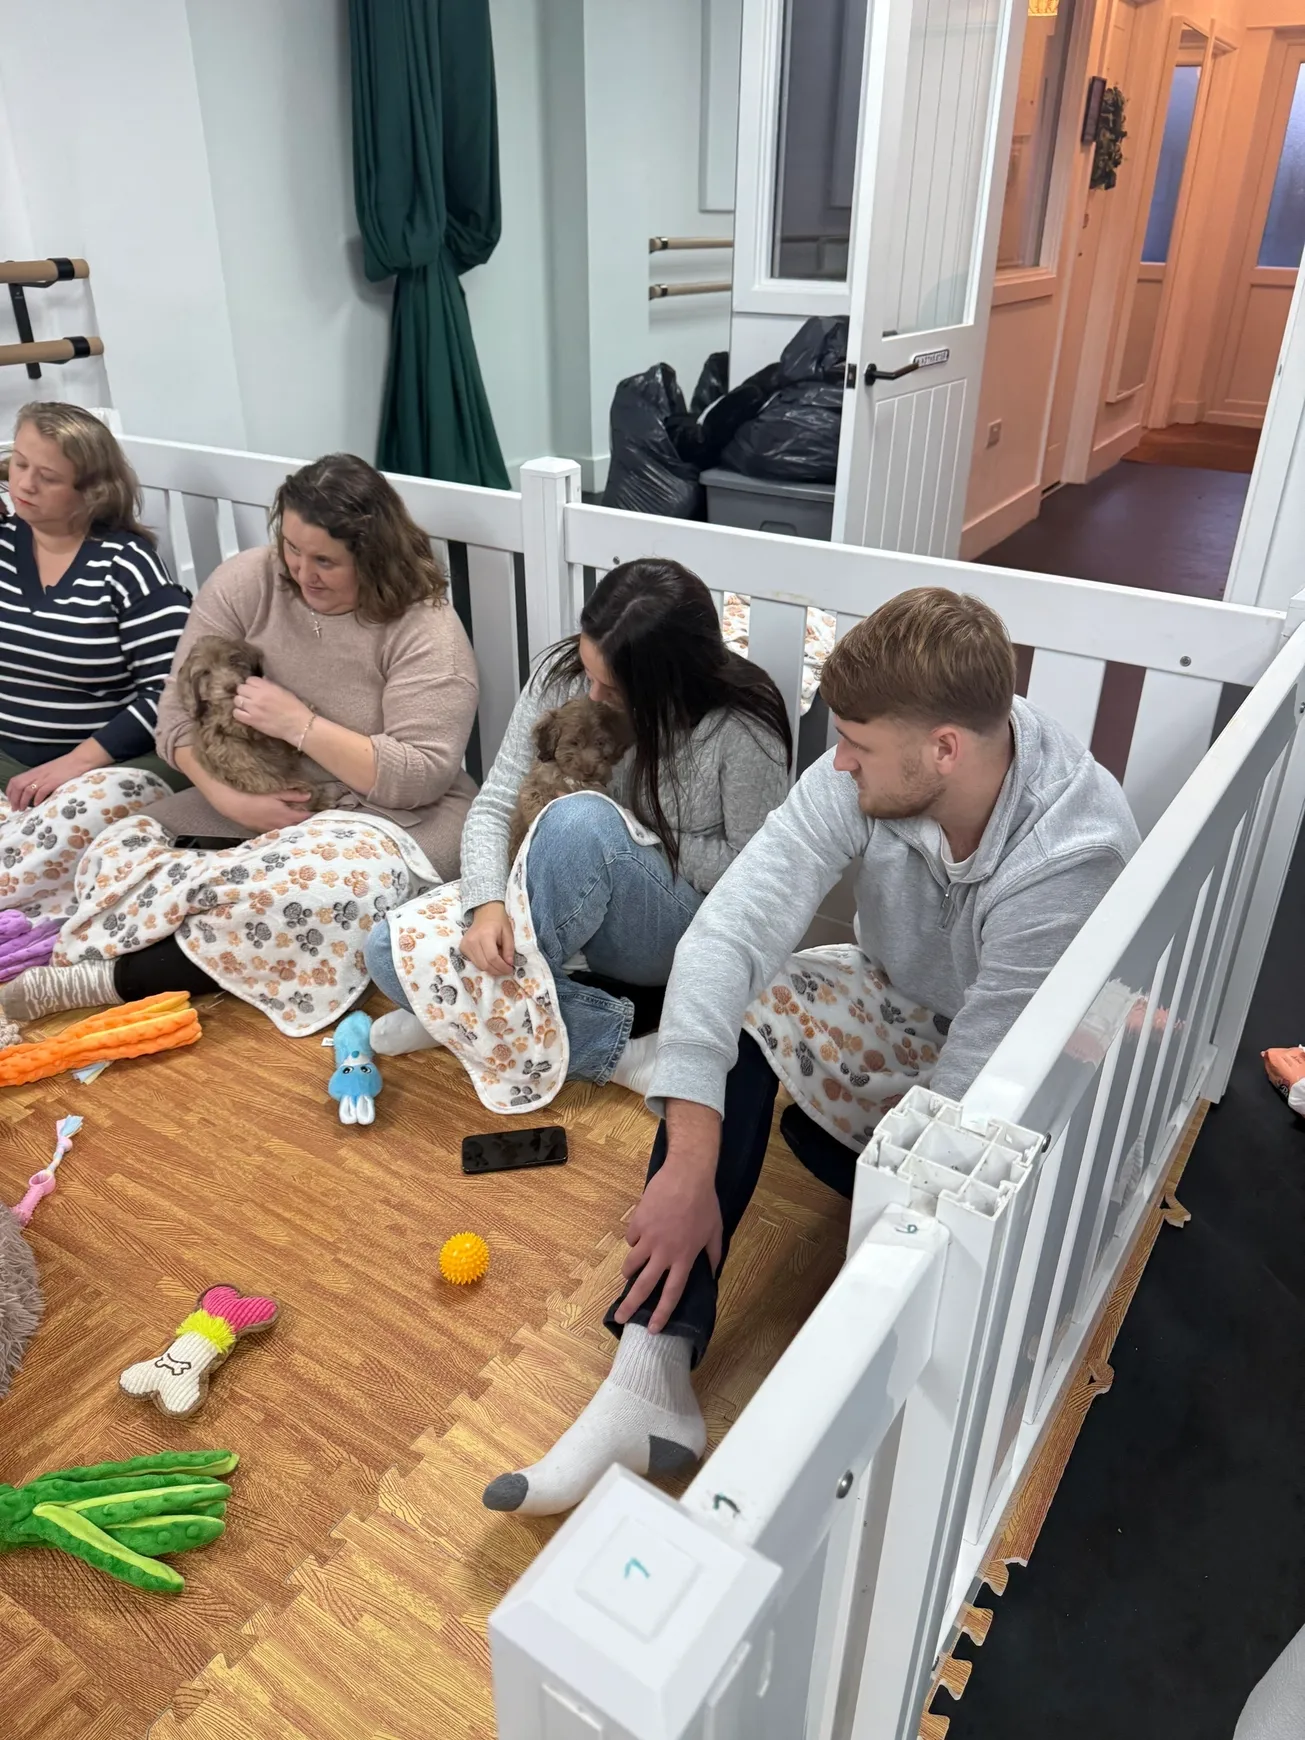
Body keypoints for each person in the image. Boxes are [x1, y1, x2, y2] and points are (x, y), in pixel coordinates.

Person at [480, 587, 1142, 1515]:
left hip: (1032, 1064)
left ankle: (845, 1383)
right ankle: (649, 1370)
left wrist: (881, 1238)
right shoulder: (883, 759)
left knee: (940, 1200)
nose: (838, 761)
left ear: (943, 750)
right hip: (908, 1004)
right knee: (753, 999)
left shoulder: (1068, 854)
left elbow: (975, 1091)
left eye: (856, 744)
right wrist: (689, 1159)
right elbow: (727, 932)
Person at [1, 453, 478, 1034]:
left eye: (326, 561)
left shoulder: (424, 627)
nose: (303, 572)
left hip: (383, 817)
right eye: (293, 549)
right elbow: (174, 717)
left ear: (375, 558)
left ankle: (110, 978)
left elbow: (418, 776)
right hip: (252, 799)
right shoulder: (248, 581)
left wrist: (300, 725)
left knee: (322, 892)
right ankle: (211, 927)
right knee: (115, 848)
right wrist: (233, 802)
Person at [364, 558, 794, 1091]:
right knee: (384, 948)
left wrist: (623, 826)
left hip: (666, 924)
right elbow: (496, 804)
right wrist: (486, 904)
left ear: (667, 683)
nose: (591, 695)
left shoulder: (742, 729)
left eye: (611, 687)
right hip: (552, 904)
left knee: (579, 819)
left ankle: (460, 1011)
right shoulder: (563, 675)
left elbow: (753, 874)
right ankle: (578, 1041)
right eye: (590, 672)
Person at [0, 402, 191, 920]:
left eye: (48, 477)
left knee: (74, 819)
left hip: (113, 764)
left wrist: (77, 762)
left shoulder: (127, 564)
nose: (24, 484)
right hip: (11, 761)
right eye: (19, 464)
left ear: (92, 492)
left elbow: (173, 689)